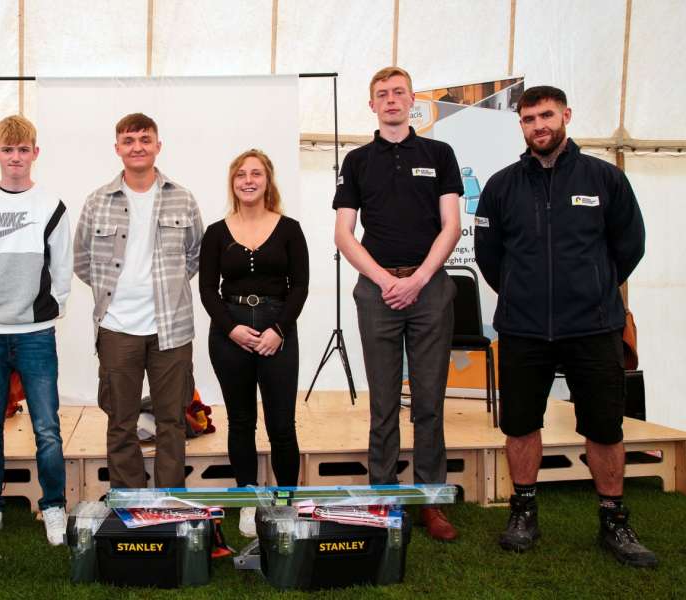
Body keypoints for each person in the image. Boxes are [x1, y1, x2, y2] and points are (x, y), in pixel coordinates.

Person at [474, 86, 654, 567]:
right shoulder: (501, 185)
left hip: (593, 327)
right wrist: (521, 291)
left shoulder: (605, 178)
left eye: (547, 115)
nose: (539, 126)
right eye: (529, 118)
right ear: (522, 125)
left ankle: (614, 520)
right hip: (523, 328)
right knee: (520, 425)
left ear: (566, 116)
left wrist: (592, 287)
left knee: (604, 427)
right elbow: (490, 258)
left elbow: (629, 246)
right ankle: (523, 512)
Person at [333, 67, 463, 541]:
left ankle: (430, 502)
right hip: (377, 290)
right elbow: (343, 233)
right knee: (384, 404)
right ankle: (383, 500)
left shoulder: (439, 154)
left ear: (413, 102)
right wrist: (387, 280)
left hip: (429, 290)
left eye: (398, 93)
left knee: (429, 402)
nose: (391, 100)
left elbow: (452, 226)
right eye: (382, 95)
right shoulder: (358, 160)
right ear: (372, 105)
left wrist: (420, 278)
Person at [74, 113, 204, 490]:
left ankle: (168, 504)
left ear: (158, 146)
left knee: (172, 421)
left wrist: (169, 292)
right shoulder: (98, 201)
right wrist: (111, 296)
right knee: (121, 421)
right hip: (117, 329)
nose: (137, 147)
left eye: (145, 139)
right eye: (129, 140)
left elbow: (194, 254)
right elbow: (82, 259)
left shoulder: (182, 198)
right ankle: (130, 505)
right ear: (117, 149)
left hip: (172, 329)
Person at [0, 115, 72, 545]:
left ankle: (55, 506)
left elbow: (61, 273)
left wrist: (45, 312)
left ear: (35, 154)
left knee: (47, 427)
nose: (16, 158)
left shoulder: (51, 206)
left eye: (23, 150)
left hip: (36, 334)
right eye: (8, 150)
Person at [199, 149, 308, 537]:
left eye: (256, 173)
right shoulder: (216, 232)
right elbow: (209, 290)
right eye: (241, 174)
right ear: (233, 182)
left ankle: (285, 501)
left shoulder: (290, 228)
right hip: (230, 334)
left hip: (278, 331)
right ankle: (247, 499)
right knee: (241, 421)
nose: (248, 180)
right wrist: (231, 329)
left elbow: (300, 287)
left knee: (282, 424)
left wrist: (278, 329)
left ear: (268, 180)